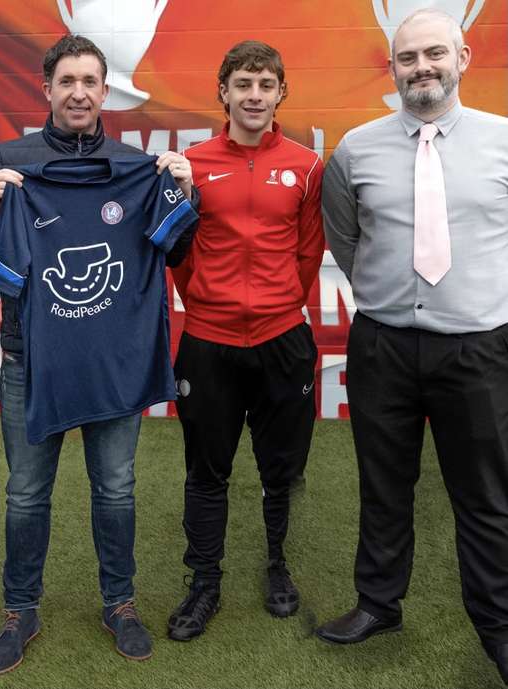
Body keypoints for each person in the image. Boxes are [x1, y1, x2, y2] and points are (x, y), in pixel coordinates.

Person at [0, 34, 198, 673]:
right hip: (32, 361)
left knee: (115, 489)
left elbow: (174, 252)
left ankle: (119, 602)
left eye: (90, 81)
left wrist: (182, 194)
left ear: (104, 89)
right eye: (68, 82)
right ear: (48, 89)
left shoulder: (135, 165)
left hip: (113, 359)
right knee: (26, 494)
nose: (80, 93)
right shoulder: (10, 160)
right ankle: (19, 609)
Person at [316, 9, 508, 683]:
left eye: (434, 54)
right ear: (391, 67)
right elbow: (347, 238)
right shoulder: (355, 149)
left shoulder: (503, 142)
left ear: (462, 57)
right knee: (384, 483)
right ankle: (378, 602)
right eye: (407, 58)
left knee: (486, 493)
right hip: (384, 347)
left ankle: (499, 622)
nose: (421, 67)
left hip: (479, 348)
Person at [166, 40, 324, 641]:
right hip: (209, 342)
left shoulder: (308, 165)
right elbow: (179, 253)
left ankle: (277, 565)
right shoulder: (191, 163)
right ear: (223, 92)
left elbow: (309, 252)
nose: (254, 96)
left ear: (281, 92)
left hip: (284, 339)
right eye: (243, 84)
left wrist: (280, 305)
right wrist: (208, 298)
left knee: (279, 468)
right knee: (207, 470)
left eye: (265, 84)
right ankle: (204, 582)